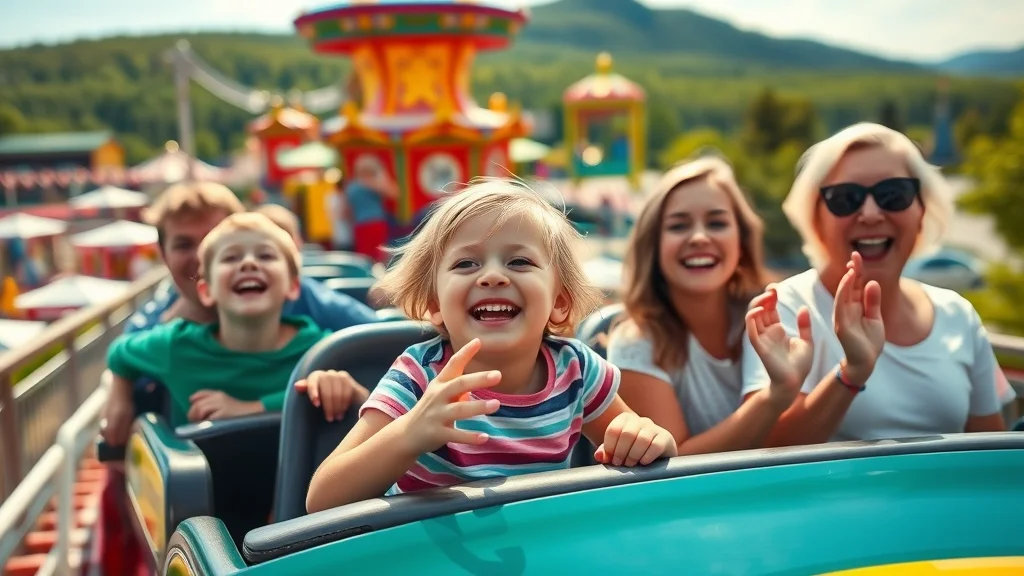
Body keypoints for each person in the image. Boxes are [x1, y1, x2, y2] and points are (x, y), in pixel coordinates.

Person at [305, 179, 679, 512]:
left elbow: (637, 437)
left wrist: (648, 438)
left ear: (559, 301)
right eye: (466, 263)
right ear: (435, 305)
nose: (493, 276)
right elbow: (322, 499)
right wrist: (410, 432)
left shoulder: (576, 369)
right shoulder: (419, 376)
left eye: (519, 261)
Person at [741, 122, 1016, 445]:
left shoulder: (957, 314)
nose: (870, 214)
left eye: (893, 195)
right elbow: (766, 452)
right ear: (816, 218)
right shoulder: (785, 306)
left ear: (921, 211)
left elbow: (990, 455)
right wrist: (852, 373)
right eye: (846, 199)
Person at [101, 212, 363, 441]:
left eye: (266, 255)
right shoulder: (175, 345)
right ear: (206, 290)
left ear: (294, 286)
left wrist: (252, 408)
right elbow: (119, 352)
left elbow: (371, 398)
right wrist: (120, 393)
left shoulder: (322, 354)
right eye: (230, 258)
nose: (248, 263)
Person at [606, 156, 798, 455]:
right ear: (653, 246)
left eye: (717, 223)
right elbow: (673, 460)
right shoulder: (636, 342)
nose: (698, 237)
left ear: (742, 241)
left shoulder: (774, 314)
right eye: (679, 225)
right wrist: (775, 397)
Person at [125, 183, 379, 337]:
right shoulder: (158, 322)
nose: (202, 257)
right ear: (163, 254)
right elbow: (124, 355)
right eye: (183, 245)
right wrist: (121, 384)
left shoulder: (296, 296)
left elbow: (374, 335)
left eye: (214, 241)